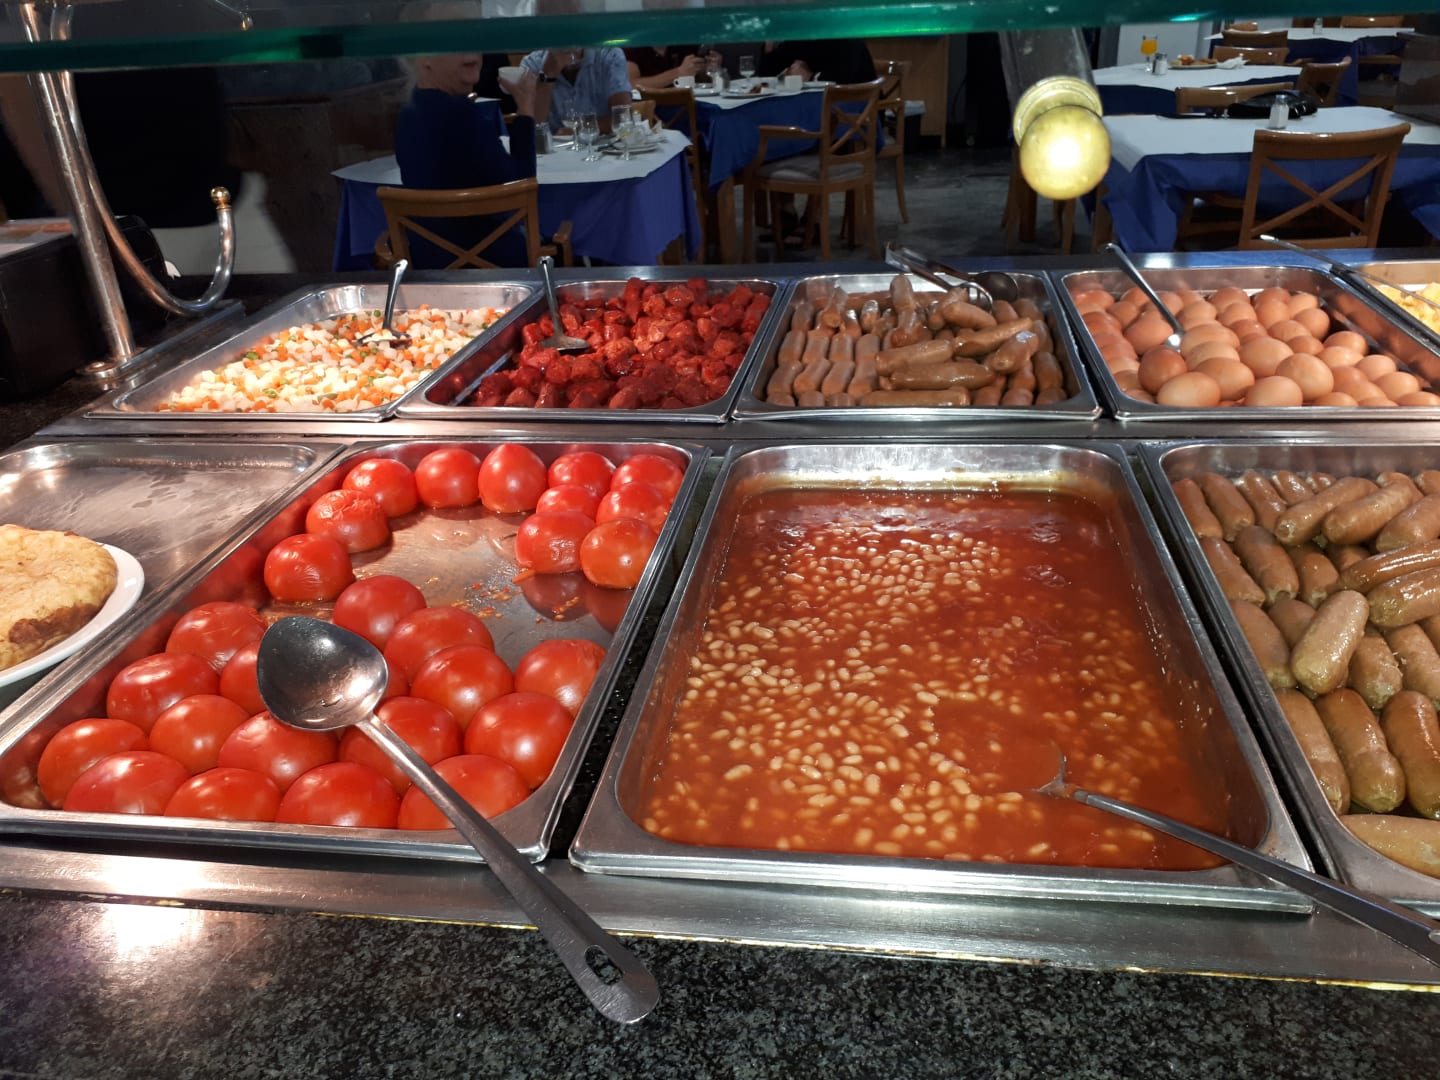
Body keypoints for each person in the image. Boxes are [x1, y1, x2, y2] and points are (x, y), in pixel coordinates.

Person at [394, 47, 551, 267]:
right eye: (458, 45)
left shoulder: (409, 112)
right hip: (493, 264)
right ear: (424, 59)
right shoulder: (461, 113)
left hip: (427, 263)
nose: (473, 54)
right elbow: (521, 186)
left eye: (475, 43)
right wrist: (525, 105)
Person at [518, 47, 631, 131]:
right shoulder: (532, 64)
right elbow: (531, 126)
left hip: (603, 147)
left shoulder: (609, 55)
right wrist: (548, 75)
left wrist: (579, 129)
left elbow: (623, 117)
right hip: (553, 151)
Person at [757, 39, 877, 85]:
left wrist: (810, 76)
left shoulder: (846, 38)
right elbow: (766, 76)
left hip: (853, 111)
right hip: (812, 106)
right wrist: (769, 48)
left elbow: (842, 79)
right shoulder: (801, 37)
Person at [624, 45, 708, 89]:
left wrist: (709, 69)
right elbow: (632, 84)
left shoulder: (683, 44)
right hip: (649, 106)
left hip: (686, 101)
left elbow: (700, 77)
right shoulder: (633, 47)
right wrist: (678, 73)